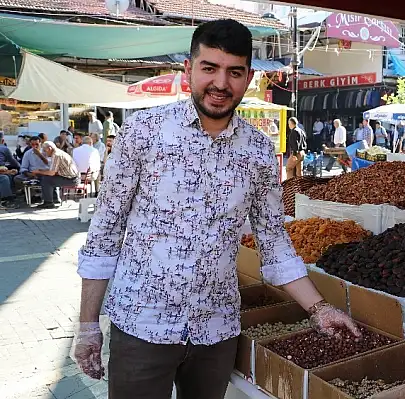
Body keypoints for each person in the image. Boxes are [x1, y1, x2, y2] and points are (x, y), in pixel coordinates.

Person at [73, 19, 360, 399]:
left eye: (234, 72)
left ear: (248, 76)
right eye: (209, 68)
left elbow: (273, 241)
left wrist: (320, 309)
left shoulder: (258, 152)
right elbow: (105, 234)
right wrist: (88, 325)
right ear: (188, 70)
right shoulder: (142, 133)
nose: (221, 84)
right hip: (141, 324)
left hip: (216, 330)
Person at [32, 141, 80, 209]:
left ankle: (49, 202)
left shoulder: (57, 155)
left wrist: (38, 171)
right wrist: (41, 171)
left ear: (50, 148)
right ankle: (54, 198)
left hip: (72, 180)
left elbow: (52, 172)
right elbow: (53, 170)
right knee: (47, 177)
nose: (45, 153)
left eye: (45, 151)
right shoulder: (57, 153)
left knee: (46, 180)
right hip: (69, 176)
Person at [0, 132, 20, 207]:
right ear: (3, 140)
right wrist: (20, 166)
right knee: (4, 178)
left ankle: (9, 195)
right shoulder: (4, 148)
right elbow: (14, 162)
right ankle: (7, 200)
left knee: (9, 176)